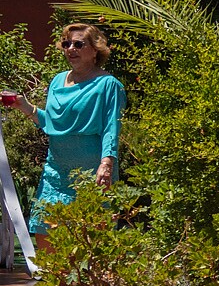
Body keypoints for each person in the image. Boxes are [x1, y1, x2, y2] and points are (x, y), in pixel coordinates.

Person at [3, 23, 126, 255]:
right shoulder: (58, 81)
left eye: (79, 44)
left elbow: (112, 128)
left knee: (91, 241)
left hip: (92, 172)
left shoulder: (109, 85)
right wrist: (25, 107)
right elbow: (52, 124)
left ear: (95, 49)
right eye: (66, 44)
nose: (71, 48)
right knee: (46, 233)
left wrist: (106, 164)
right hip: (56, 172)